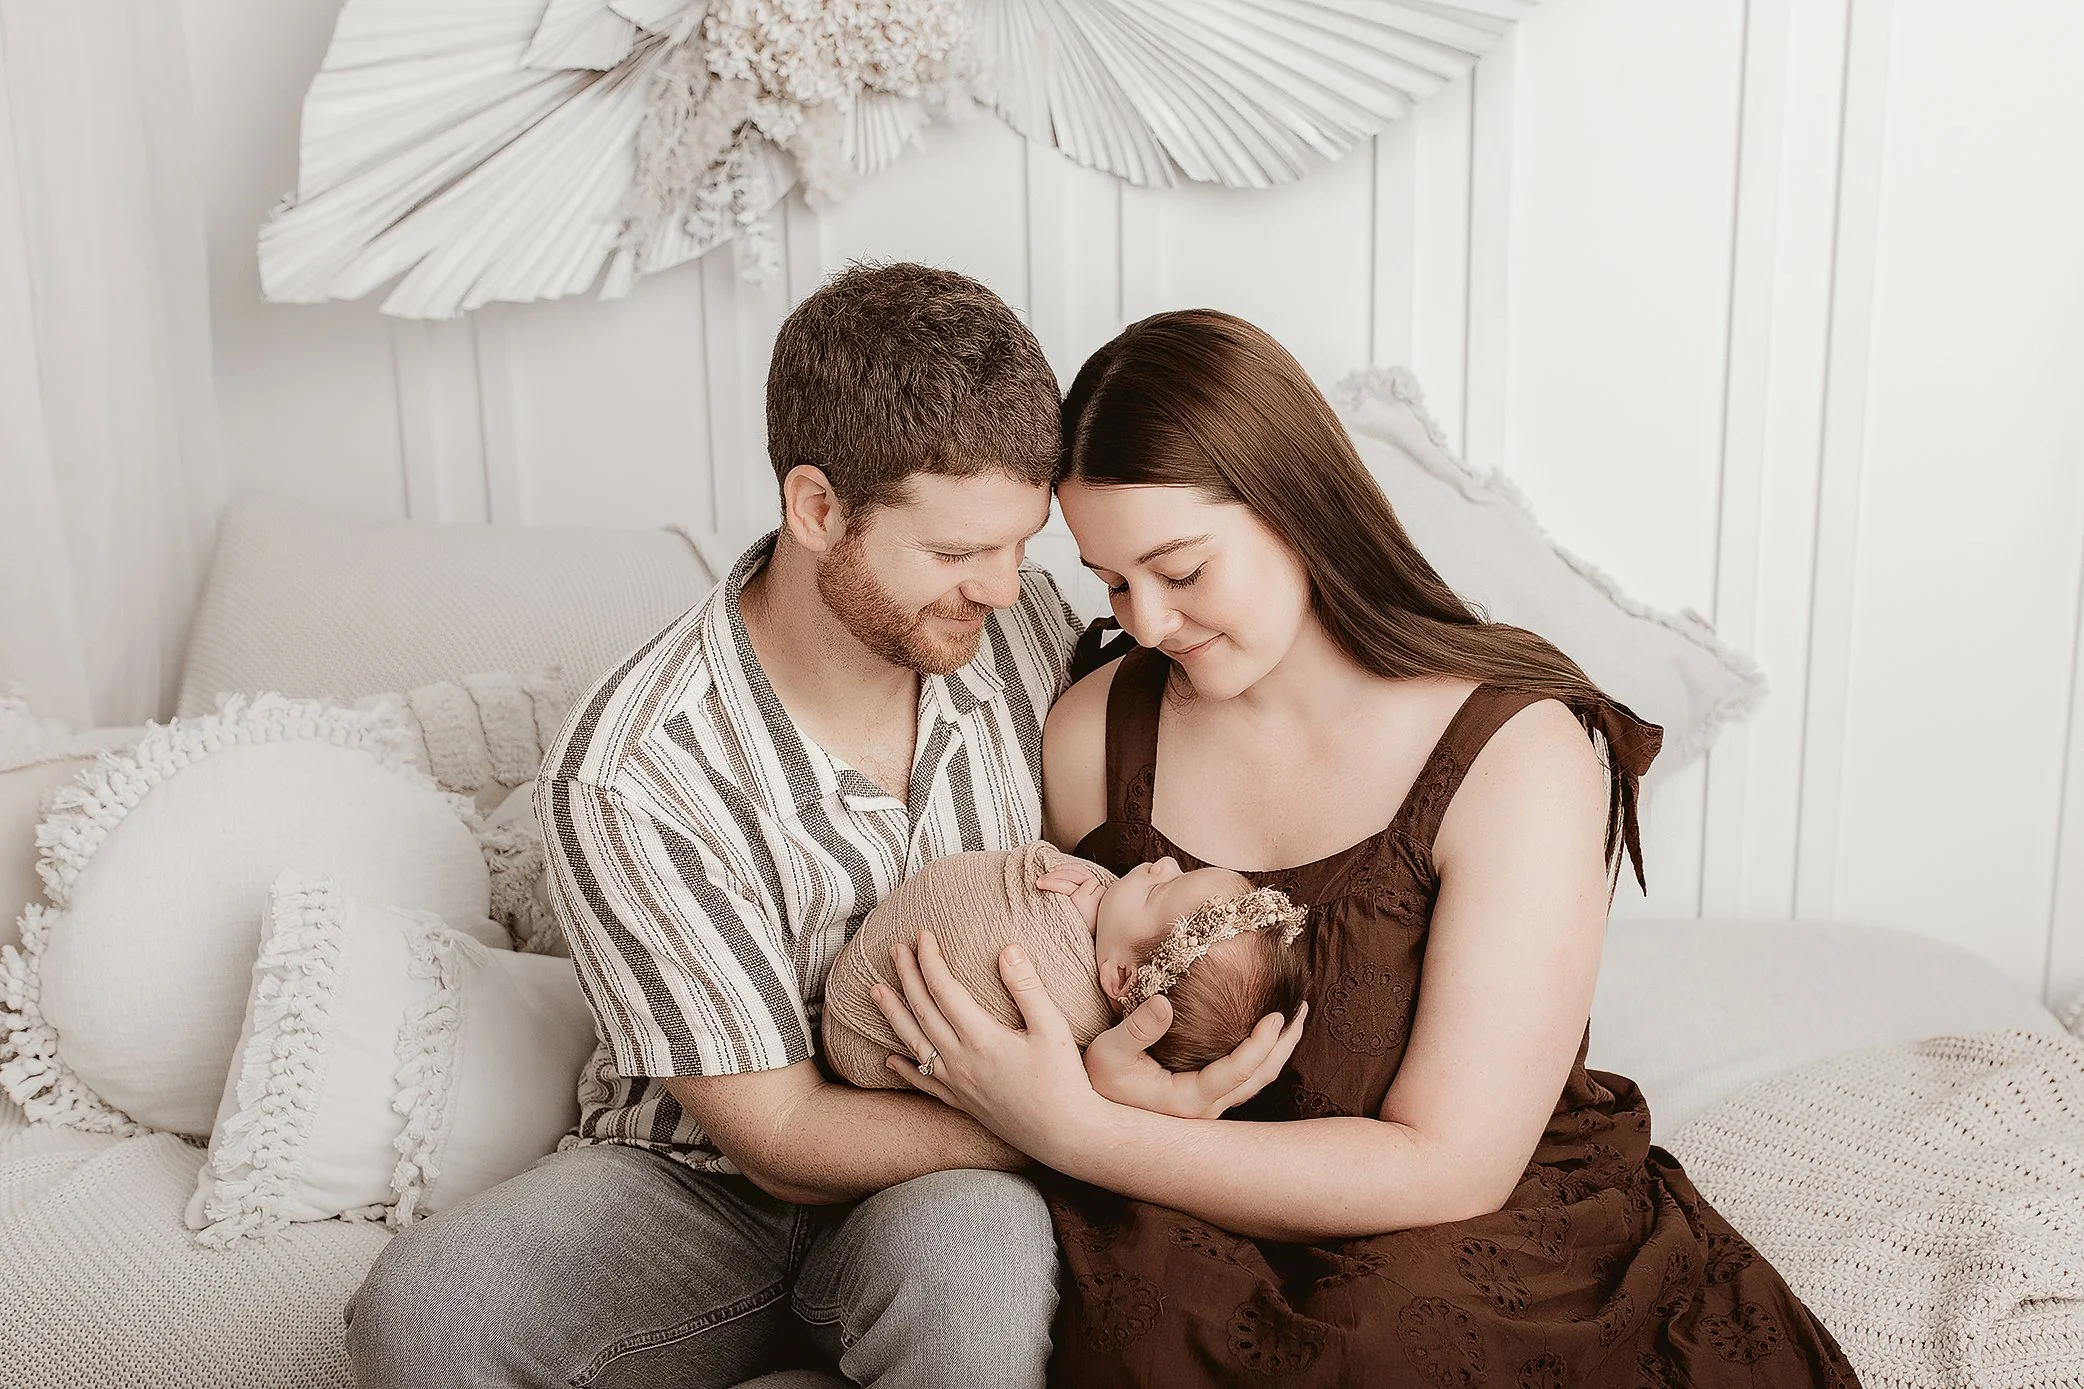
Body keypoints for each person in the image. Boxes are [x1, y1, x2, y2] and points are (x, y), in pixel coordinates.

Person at [871, 309, 1862, 1386]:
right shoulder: (1096, 731)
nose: (1147, 622)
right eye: (1113, 583)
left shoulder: (1514, 750)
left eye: (1182, 570)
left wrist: (1079, 1133)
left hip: (1466, 1222)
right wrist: (1099, 1085)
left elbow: (1450, 1167)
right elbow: (1074, 992)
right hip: (1181, 1208)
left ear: (1297, 510)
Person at [344, 265, 1282, 1389]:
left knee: (970, 1268)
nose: (1002, 588)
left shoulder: (1028, 628)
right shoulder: (632, 775)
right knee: (425, 1310)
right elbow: (779, 1138)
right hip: (700, 1179)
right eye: (951, 554)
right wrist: (1082, 1113)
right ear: (816, 507)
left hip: (938, 1192)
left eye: (1019, 544)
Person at [820, 841, 1309, 1086]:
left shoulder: (1068, 1006)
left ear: (1120, 977)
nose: (1164, 863)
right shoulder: (1107, 928)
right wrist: (1100, 914)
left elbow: (991, 927)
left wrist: (1063, 913)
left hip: (863, 1034)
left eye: (1158, 889)